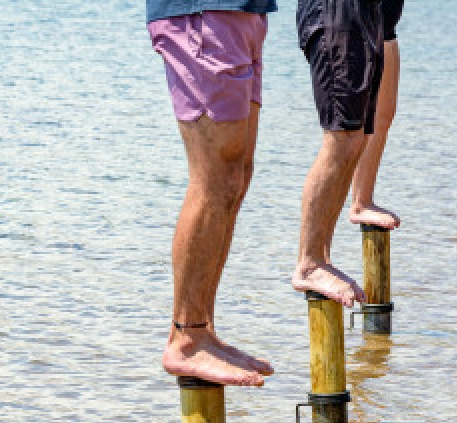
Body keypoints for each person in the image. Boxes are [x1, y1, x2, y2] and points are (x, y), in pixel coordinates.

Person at [149, 1, 278, 387]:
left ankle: (202, 329)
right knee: (213, 176)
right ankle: (186, 337)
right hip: (203, 14)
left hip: (246, 13)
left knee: (236, 176)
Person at [291, 0, 387, 307]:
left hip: (364, 13)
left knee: (357, 138)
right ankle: (310, 262)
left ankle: (321, 257)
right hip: (334, 10)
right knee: (341, 138)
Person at [350, 0, 404, 230]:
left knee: (384, 115)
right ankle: (360, 203)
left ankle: (364, 198)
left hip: (385, 29)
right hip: (364, 26)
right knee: (360, 121)